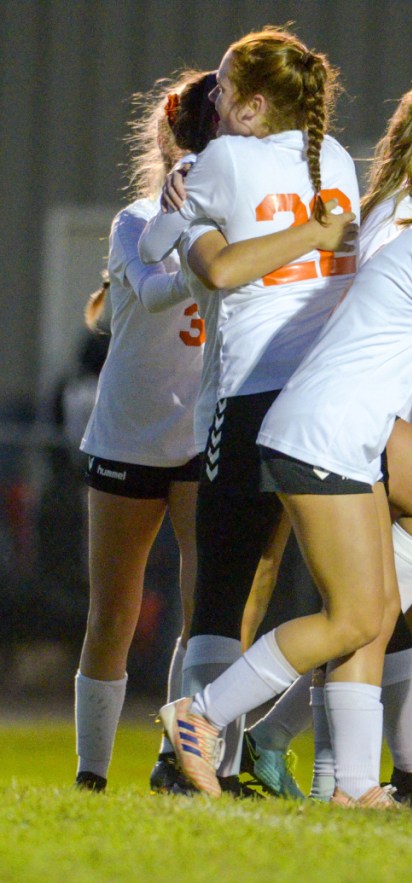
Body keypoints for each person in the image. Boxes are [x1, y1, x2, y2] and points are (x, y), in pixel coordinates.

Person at [160, 118, 412, 806]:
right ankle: (202, 714)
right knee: (349, 617)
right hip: (324, 437)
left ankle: (351, 787)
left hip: (343, 435)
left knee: (368, 614)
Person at [138, 26, 360, 795]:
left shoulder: (222, 159)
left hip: (253, 390)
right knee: (350, 592)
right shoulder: (331, 159)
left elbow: (181, 254)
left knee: (228, 585)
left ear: (255, 107)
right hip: (334, 391)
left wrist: (185, 200)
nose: (215, 97)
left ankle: (198, 756)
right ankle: (344, 772)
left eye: (226, 86)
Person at [73, 70, 216, 792]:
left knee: (203, 610)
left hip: (198, 434)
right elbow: (161, 290)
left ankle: (179, 760)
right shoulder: (135, 219)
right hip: (128, 437)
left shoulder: (238, 225)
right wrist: (187, 230)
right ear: (171, 141)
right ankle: (91, 774)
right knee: (116, 613)